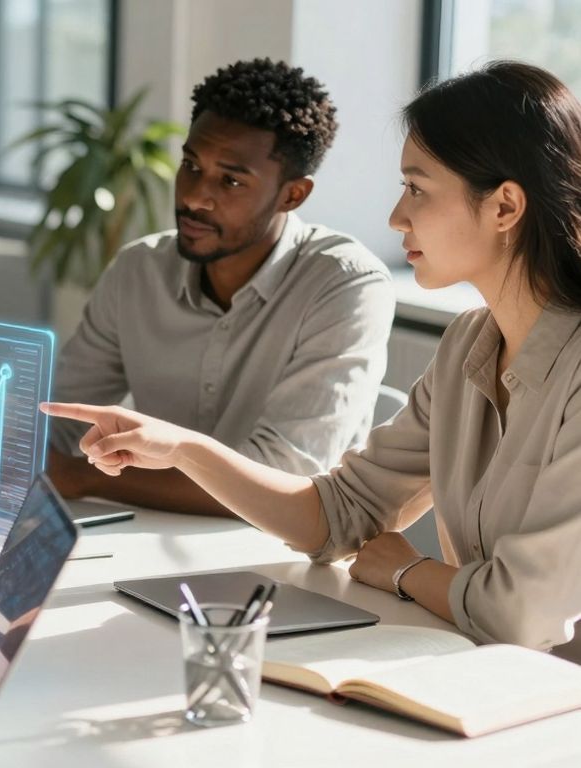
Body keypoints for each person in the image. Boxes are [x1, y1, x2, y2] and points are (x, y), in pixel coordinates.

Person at [44, 60, 581, 658]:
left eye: (417, 188)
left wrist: (408, 572)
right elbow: (339, 514)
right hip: (478, 674)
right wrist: (183, 447)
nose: (396, 217)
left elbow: (521, 612)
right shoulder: (466, 345)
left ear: (504, 208)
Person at [48, 58, 395, 516]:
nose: (194, 196)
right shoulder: (139, 270)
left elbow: (284, 475)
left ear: (293, 195)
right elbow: (59, 424)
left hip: (276, 554)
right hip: (143, 536)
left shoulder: (346, 285)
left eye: (230, 180)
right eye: (191, 165)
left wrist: (77, 476)